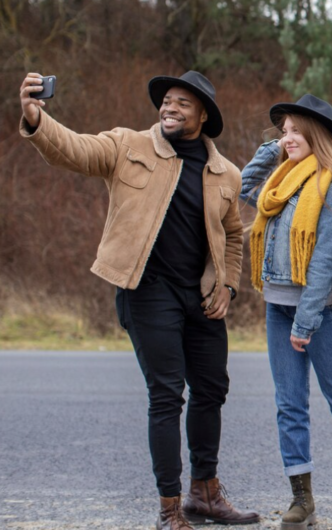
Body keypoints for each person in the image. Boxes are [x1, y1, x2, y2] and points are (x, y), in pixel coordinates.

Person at [18, 71, 257, 530]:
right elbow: (74, 149)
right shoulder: (127, 146)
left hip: (200, 297)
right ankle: (170, 508)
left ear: (203, 115)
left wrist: (226, 285)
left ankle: (204, 494)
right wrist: (36, 119)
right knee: (167, 395)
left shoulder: (225, 172)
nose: (169, 108)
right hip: (146, 292)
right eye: (166, 101)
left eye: (182, 103)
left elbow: (232, 234)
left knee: (212, 389)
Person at [240, 94, 332, 530]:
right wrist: (273, 149)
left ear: (316, 135)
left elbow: (324, 261)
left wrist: (305, 321)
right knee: (289, 405)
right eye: (283, 132)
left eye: (296, 130)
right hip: (277, 308)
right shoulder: (279, 180)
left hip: (319, 311)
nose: (288, 138)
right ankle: (302, 499)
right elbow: (245, 187)